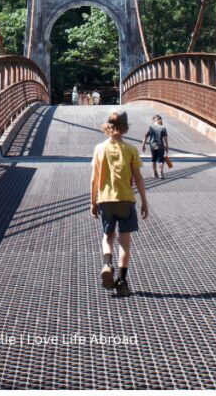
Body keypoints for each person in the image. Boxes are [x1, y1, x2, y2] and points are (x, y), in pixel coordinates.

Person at [90, 110, 149, 298]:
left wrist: (93, 202)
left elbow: (94, 179)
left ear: (108, 126)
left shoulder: (99, 148)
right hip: (126, 199)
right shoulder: (131, 150)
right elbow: (138, 178)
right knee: (125, 243)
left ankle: (107, 264)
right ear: (125, 128)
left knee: (108, 237)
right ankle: (122, 282)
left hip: (105, 199)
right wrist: (144, 202)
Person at [141, 114, 169, 179]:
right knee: (161, 160)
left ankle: (154, 173)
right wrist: (167, 146)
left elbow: (145, 136)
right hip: (160, 146)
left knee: (153, 160)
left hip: (152, 146)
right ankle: (161, 173)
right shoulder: (163, 128)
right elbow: (165, 138)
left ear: (154, 120)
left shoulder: (151, 127)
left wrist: (143, 145)